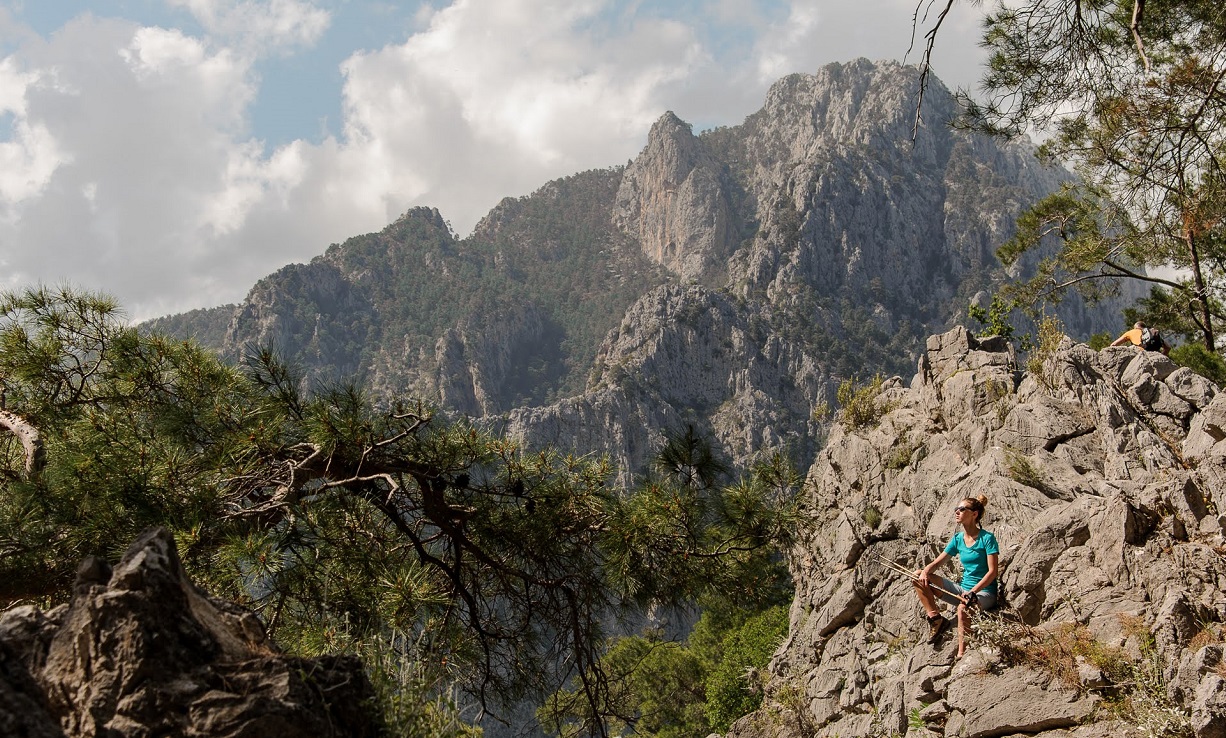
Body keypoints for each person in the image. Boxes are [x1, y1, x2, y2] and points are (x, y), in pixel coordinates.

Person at [912, 495, 999, 658]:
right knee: (917, 576)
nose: (957, 512)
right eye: (956, 509)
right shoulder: (958, 539)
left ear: (974, 514)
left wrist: (973, 592)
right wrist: (925, 571)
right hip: (963, 590)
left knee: (962, 608)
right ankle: (936, 619)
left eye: (961, 509)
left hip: (985, 593)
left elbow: (992, 572)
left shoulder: (987, 538)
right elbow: (939, 562)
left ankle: (961, 653)